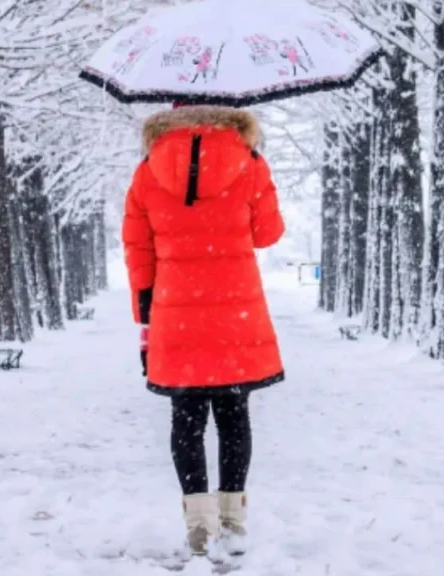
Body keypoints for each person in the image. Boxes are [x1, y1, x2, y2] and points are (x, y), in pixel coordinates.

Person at [121, 102, 285, 562]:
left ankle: (199, 527)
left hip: (176, 314)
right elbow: (268, 233)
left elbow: (138, 250)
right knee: (234, 416)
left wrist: (145, 318)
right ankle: (233, 522)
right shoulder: (249, 162)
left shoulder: (148, 170)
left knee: (187, 419)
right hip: (236, 313)